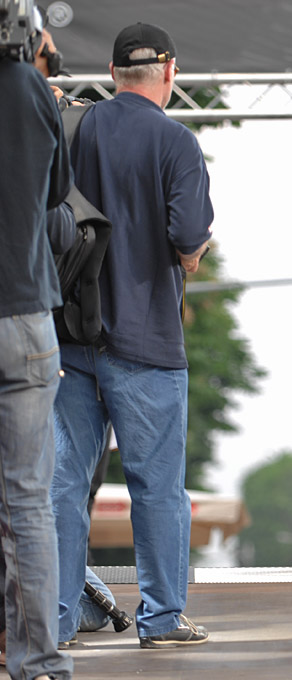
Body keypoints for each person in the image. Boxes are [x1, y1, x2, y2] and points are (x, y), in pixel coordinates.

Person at [49, 22, 213, 649]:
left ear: (112, 72)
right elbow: (190, 239)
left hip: (69, 336)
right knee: (157, 487)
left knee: (63, 485)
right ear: (169, 71)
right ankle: (163, 619)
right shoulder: (176, 142)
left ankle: (57, 620)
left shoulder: (72, 129)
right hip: (145, 341)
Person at [0, 17, 75, 678]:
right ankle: (39, 664)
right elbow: (56, 197)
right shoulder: (30, 88)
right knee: (28, 501)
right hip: (25, 319)